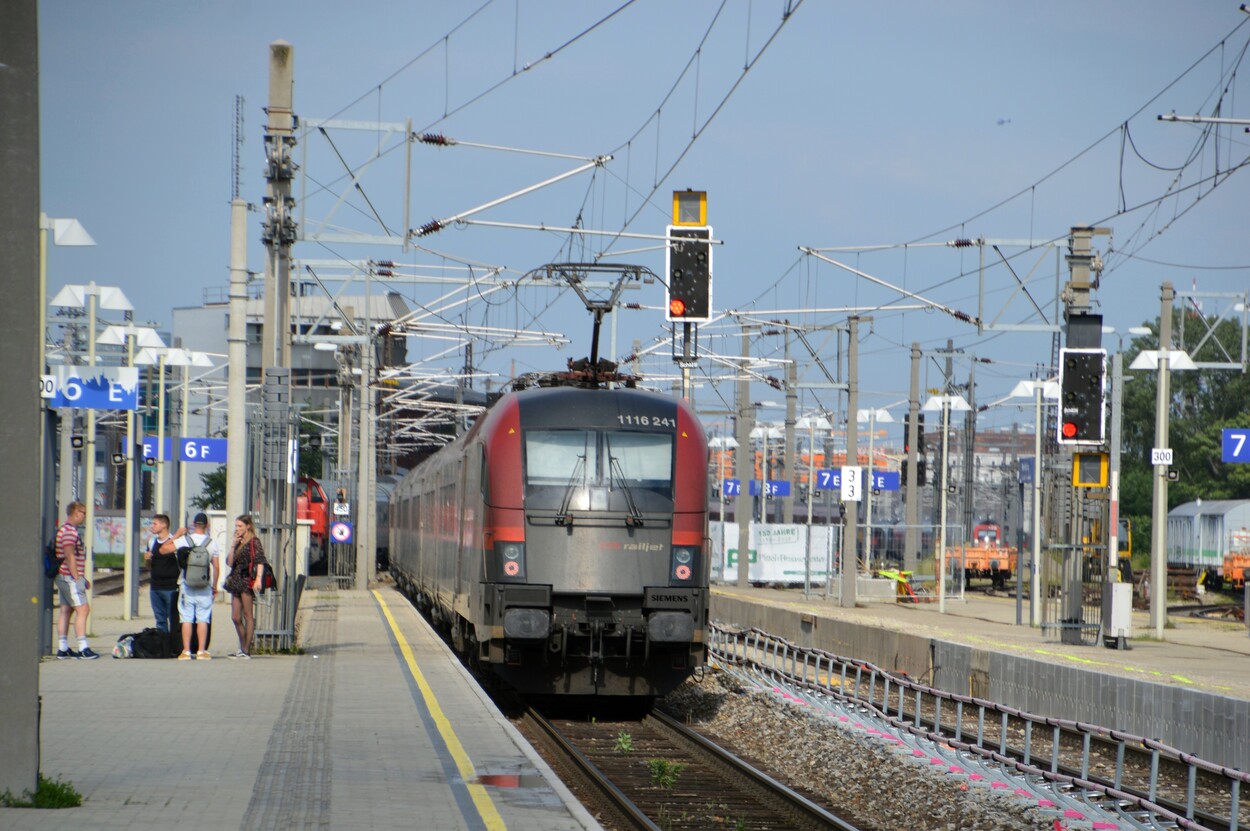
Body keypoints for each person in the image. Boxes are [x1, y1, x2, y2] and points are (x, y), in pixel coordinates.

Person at [168, 513, 221, 660]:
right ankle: (201, 651)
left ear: (193, 524)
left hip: (186, 585)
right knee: (203, 618)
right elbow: (216, 567)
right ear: (207, 526)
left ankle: (186, 651)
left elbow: (163, 549)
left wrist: (176, 536)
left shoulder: (185, 540)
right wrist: (214, 586)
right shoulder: (212, 543)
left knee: (186, 618)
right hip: (204, 586)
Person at [54, 501, 99, 659]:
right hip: (69, 577)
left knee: (66, 610)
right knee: (83, 610)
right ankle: (83, 647)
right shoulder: (69, 532)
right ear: (76, 513)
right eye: (83, 512)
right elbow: (69, 555)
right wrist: (77, 577)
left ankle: (63, 647)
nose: (84, 516)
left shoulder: (64, 529)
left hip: (64, 576)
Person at [225, 514, 268, 659]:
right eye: (236, 526)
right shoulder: (238, 541)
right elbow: (229, 562)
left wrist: (258, 579)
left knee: (248, 615)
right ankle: (243, 646)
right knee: (235, 617)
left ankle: (246, 649)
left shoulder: (254, 541)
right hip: (236, 580)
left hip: (247, 580)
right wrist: (233, 544)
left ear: (248, 526)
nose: (237, 529)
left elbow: (260, 560)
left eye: (240, 526)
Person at [143, 514, 179, 633]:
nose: (152, 526)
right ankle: (163, 642)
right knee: (160, 620)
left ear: (164, 525)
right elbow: (148, 566)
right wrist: (147, 560)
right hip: (155, 587)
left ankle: (173, 642)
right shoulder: (152, 542)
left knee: (173, 619)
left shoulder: (174, 541)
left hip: (171, 587)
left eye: (155, 523)